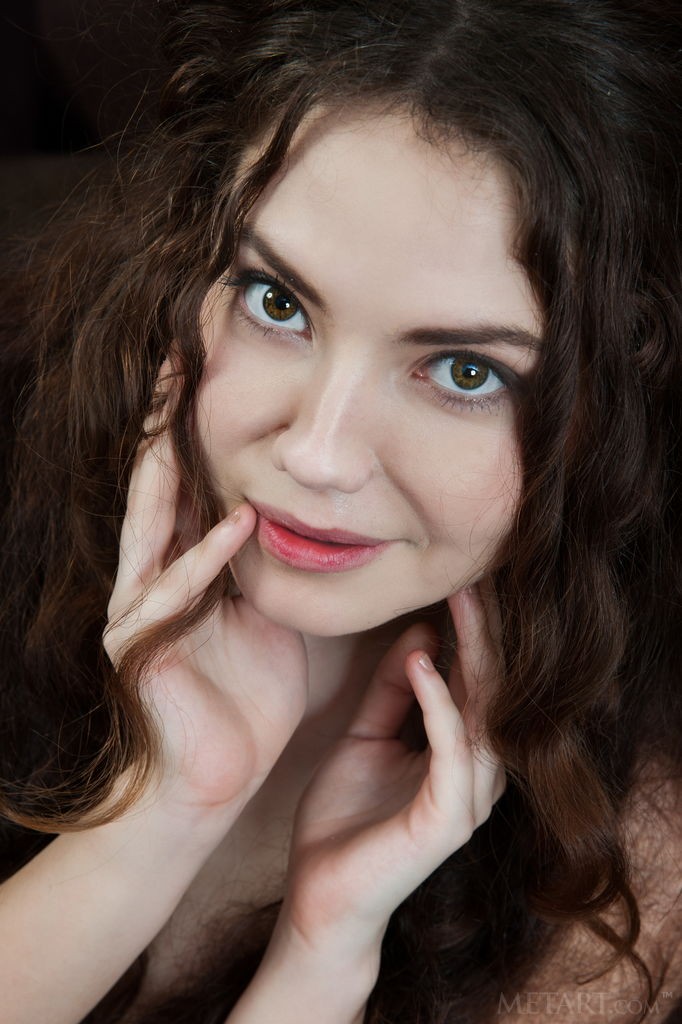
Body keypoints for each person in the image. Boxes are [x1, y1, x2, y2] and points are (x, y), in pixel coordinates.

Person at [0, 1, 680, 1022]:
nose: (316, 454)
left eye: (465, 370)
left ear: (620, 411)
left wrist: (319, 960)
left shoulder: (626, 865)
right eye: (276, 302)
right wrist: (152, 818)